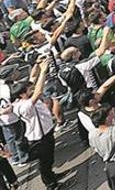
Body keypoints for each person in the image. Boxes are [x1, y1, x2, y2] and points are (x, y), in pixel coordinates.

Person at [11, 58, 72, 190]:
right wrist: (44, 71)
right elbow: (38, 90)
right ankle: (51, 185)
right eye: (28, 89)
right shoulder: (23, 106)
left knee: (49, 159)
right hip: (39, 138)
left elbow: (33, 78)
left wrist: (38, 65)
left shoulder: (27, 97)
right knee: (44, 162)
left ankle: (51, 176)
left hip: (47, 132)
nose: (31, 89)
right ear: (22, 94)